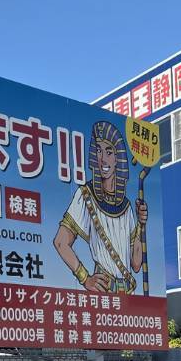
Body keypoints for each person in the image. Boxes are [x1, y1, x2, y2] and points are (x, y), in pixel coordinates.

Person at [54, 121, 147, 293]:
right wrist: (85, 278)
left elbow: (135, 264)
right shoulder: (85, 195)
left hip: (128, 295)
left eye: (109, 152)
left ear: (118, 158)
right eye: (98, 150)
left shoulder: (126, 207)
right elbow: (60, 242)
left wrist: (141, 225)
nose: (103, 158)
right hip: (103, 293)